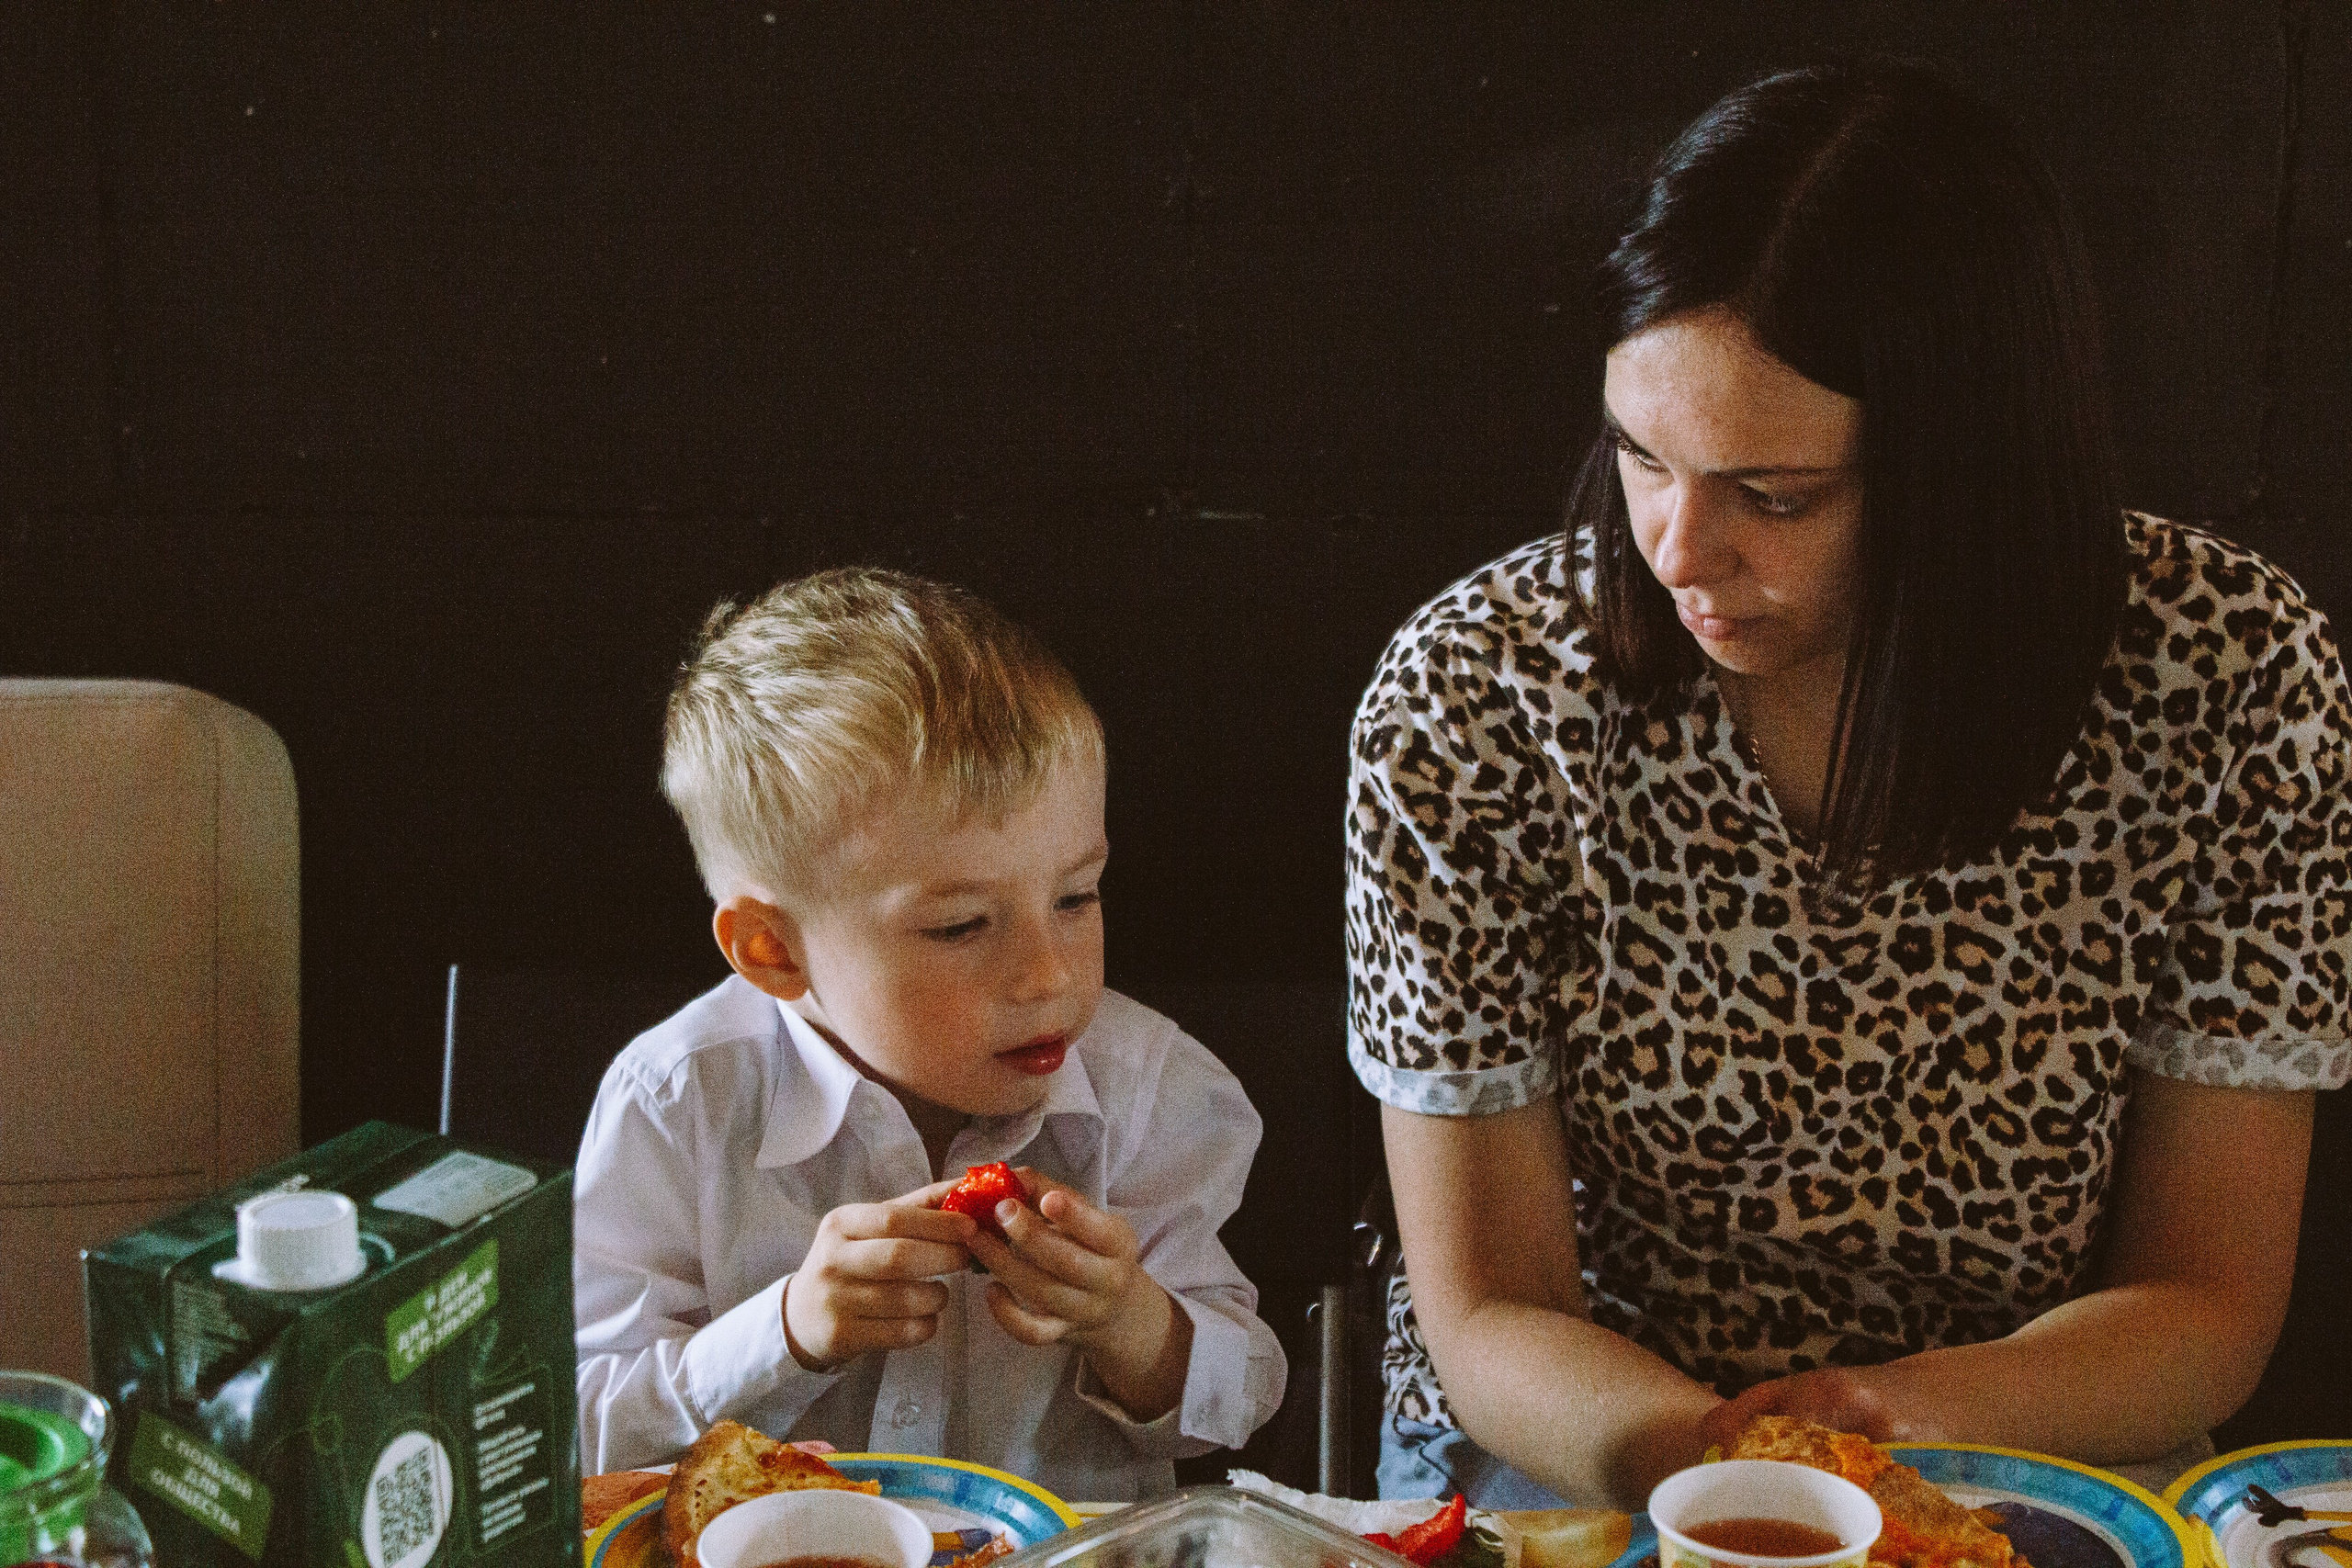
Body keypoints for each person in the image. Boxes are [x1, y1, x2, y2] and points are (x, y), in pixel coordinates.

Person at [1347, 59, 2352, 1509]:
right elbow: (1492, 1310)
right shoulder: (1471, 693)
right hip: (1582, 1436)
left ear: (1970, 471)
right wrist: (1747, 1483)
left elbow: (2204, 1301)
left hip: (2044, 1420)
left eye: (1776, 494)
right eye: (1641, 456)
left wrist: (1887, 1420)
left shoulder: (2231, 673)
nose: (1675, 550)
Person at [575, 568, 1285, 1498]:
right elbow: (576, 1427)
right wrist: (783, 1330)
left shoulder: (1155, 1093)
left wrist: (1131, 1324)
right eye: (959, 927)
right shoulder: (676, 1105)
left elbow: (1250, 1396)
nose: (1051, 974)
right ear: (772, 948)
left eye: (1076, 897)